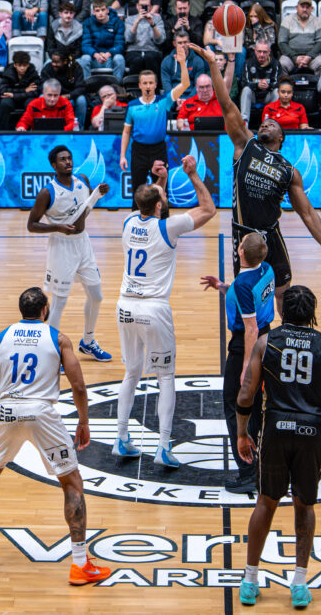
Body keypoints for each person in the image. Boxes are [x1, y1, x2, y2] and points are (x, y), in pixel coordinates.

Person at [0, 286, 112, 585]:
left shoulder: (1, 336)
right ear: (45, 311)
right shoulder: (59, 338)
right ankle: (80, 563)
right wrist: (83, 421)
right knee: (71, 482)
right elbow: (79, 386)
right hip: (43, 414)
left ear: (21, 310)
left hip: (8, 411)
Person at [192, 42, 321, 313]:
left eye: (272, 124)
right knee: (246, 294)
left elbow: (309, 213)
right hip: (243, 233)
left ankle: (284, 335)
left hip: (271, 234)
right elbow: (226, 103)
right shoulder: (246, 144)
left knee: (282, 291)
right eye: (263, 122)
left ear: (281, 137)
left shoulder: (289, 170)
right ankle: (248, 339)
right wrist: (212, 65)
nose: (265, 124)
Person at [236, 285, 321, 609]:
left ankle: (249, 580)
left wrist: (243, 433)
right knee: (304, 506)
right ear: (312, 313)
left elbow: (246, 395)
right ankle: (299, 583)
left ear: (283, 312)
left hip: (276, 429)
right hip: (311, 432)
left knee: (265, 503)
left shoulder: (266, 342)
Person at [113, 153, 218, 467]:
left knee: (131, 373)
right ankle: (162, 446)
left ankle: (121, 438)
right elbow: (209, 209)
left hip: (124, 306)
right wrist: (194, 175)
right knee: (165, 377)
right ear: (159, 205)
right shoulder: (169, 228)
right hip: (153, 309)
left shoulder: (129, 221)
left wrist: (158, 182)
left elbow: (151, 201)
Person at [198, 232, 275, 493]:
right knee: (254, 407)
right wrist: (222, 286)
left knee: (235, 406)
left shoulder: (243, 283)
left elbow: (250, 327)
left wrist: (245, 367)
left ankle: (248, 472)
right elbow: (248, 297)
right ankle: (260, 464)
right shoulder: (266, 269)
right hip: (267, 338)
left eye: (240, 244)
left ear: (241, 253)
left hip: (247, 344)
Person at [27, 146, 113, 362]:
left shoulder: (82, 180)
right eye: (62, 160)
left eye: (69, 158)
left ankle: (88, 342)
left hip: (83, 245)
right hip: (61, 247)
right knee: (59, 303)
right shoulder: (47, 193)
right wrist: (57, 227)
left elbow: (84, 211)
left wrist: (96, 195)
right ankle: (52, 351)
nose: (68, 162)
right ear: (54, 165)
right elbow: (32, 225)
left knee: (96, 296)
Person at [120, 51, 190, 200]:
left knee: (161, 190)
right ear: (139, 85)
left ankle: (163, 219)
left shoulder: (163, 101)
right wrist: (122, 156)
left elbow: (185, 84)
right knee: (138, 191)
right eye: (145, 83)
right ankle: (137, 218)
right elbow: (126, 132)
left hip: (158, 150)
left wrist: (182, 63)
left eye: (151, 83)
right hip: (138, 151)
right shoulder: (132, 106)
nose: (148, 86)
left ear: (156, 85)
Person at [277, 0, 321, 74]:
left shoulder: (317, 21)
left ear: (311, 9)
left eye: (307, 7)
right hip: (291, 56)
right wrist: (294, 57)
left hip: (312, 57)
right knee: (282, 63)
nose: (305, 9)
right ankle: (285, 85)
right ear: (297, 8)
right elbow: (282, 42)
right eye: (302, 7)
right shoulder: (287, 20)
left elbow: (320, 42)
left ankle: (317, 86)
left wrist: (309, 56)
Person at [79, 0, 126, 79]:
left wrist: (108, 54)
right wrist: (96, 55)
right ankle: (87, 87)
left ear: (107, 10)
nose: (100, 13)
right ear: (93, 12)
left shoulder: (118, 23)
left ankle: (117, 86)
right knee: (84, 59)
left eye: (103, 10)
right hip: (94, 58)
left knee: (120, 58)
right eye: (97, 11)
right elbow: (85, 45)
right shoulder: (87, 23)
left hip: (110, 57)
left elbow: (120, 44)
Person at [40, 51, 88, 127]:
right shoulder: (48, 68)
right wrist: (56, 96)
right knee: (41, 97)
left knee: (81, 100)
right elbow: (43, 85)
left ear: (65, 61)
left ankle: (79, 128)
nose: (53, 64)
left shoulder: (75, 68)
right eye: (53, 61)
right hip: (53, 94)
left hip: (71, 95)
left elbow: (81, 87)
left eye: (57, 62)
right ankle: (43, 126)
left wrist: (69, 95)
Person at [124, 0, 166, 77]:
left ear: (150, 7)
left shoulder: (157, 19)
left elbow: (160, 40)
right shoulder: (130, 19)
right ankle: (134, 87)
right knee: (137, 60)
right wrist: (137, 21)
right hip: (134, 50)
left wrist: (152, 24)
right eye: (141, 6)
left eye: (146, 6)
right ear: (137, 6)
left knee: (150, 58)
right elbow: (129, 39)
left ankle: (155, 87)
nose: (143, 8)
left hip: (152, 50)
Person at [239, 39, 280, 122]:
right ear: (255, 51)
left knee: (277, 92)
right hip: (253, 95)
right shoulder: (249, 63)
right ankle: (244, 122)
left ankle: (274, 122)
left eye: (265, 52)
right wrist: (257, 86)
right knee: (246, 90)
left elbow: (278, 83)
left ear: (269, 52)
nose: (261, 55)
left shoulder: (275, 64)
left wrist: (269, 86)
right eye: (259, 51)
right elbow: (244, 83)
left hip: (268, 95)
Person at [0, 50, 38, 129]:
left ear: (28, 65)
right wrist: (24, 90)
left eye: (25, 65)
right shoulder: (8, 72)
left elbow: (36, 91)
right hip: (14, 99)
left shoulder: (33, 73)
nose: (22, 68)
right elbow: (3, 91)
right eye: (19, 65)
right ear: (15, 65)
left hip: (25, 98)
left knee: (31, 103)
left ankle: (32, 130)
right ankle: (3, 132)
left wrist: (14, 94)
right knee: (5, 103)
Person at [160, 27, 206, 97]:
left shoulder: (197, 61)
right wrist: (175, 99)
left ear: (189, 43)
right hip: (173, 97)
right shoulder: (167, 61)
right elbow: (166, 85)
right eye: (180, 43)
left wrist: (188, 100)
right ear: (174, 44)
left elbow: (198, 85)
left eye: (185, 42)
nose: (183, 45)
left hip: (191, 97)